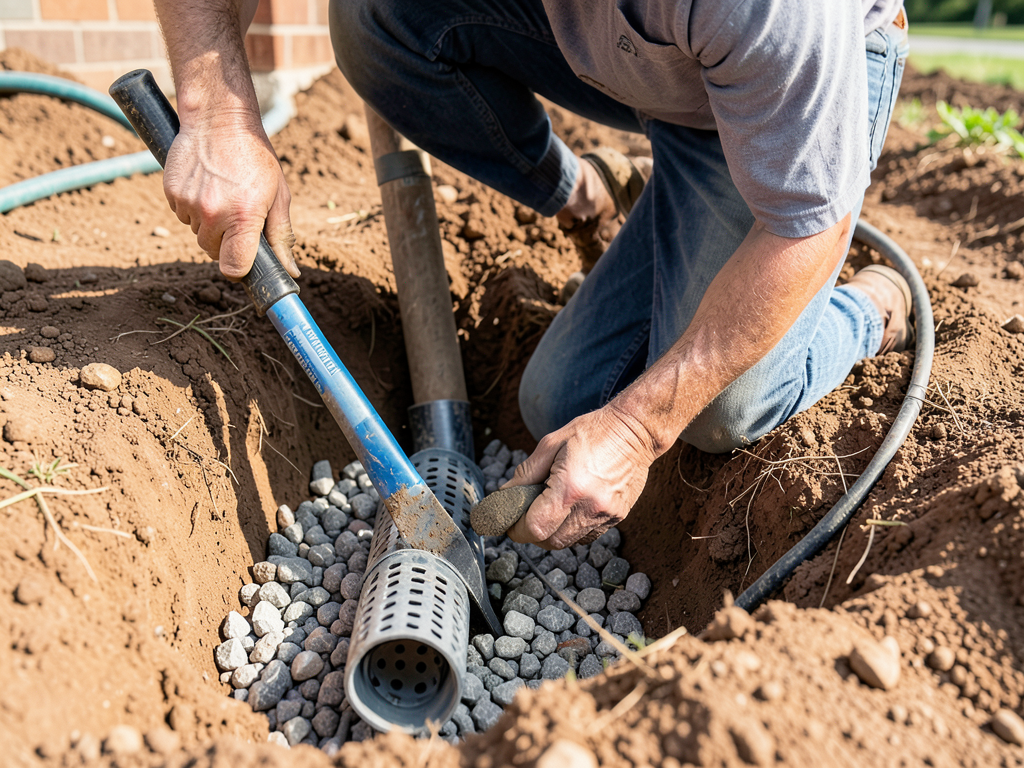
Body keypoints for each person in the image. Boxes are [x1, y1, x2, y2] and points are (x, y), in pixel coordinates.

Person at [153, 0, 911, 551]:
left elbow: (802, 229)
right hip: (643, 53)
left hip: (778, 85)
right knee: (377, 17)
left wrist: (639, 428)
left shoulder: (777, 11)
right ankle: (596, 191)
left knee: (721, 414)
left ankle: (867, 309)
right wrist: (217, 114)